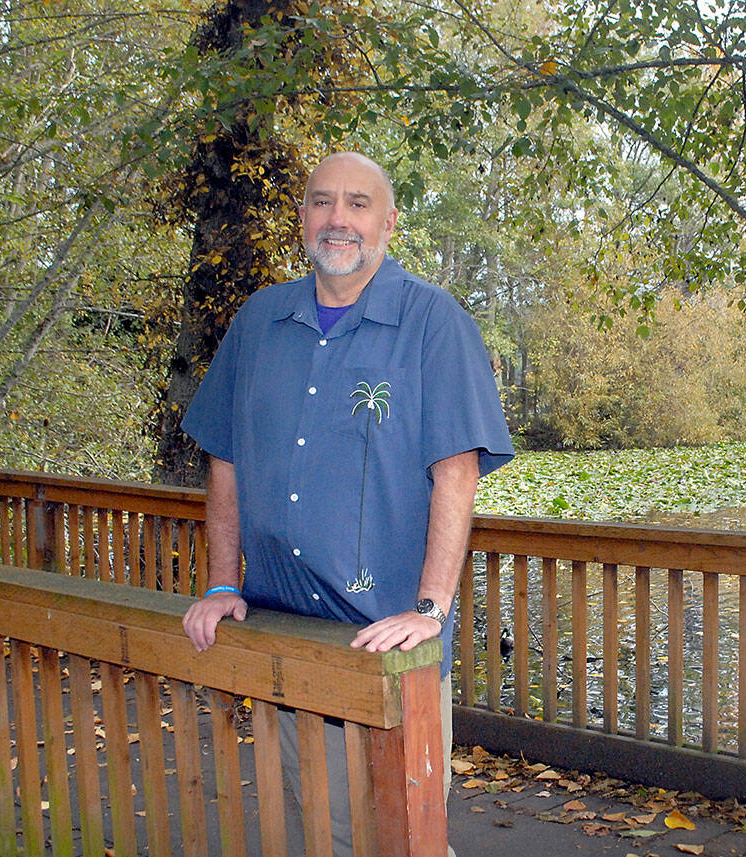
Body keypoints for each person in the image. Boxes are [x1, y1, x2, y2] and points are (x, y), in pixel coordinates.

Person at [179, 151, 513, 854]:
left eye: (358, 204)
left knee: (405, 837)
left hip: (384, 650)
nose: (339, 218)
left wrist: (429, 610)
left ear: (388, 222)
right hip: (285, 640)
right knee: (318, 832)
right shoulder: (260, 320)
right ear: (302, 216)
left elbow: (457, 474)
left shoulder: (434, 321)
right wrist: (220, 582)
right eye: (322, 201)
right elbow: (225, 457)